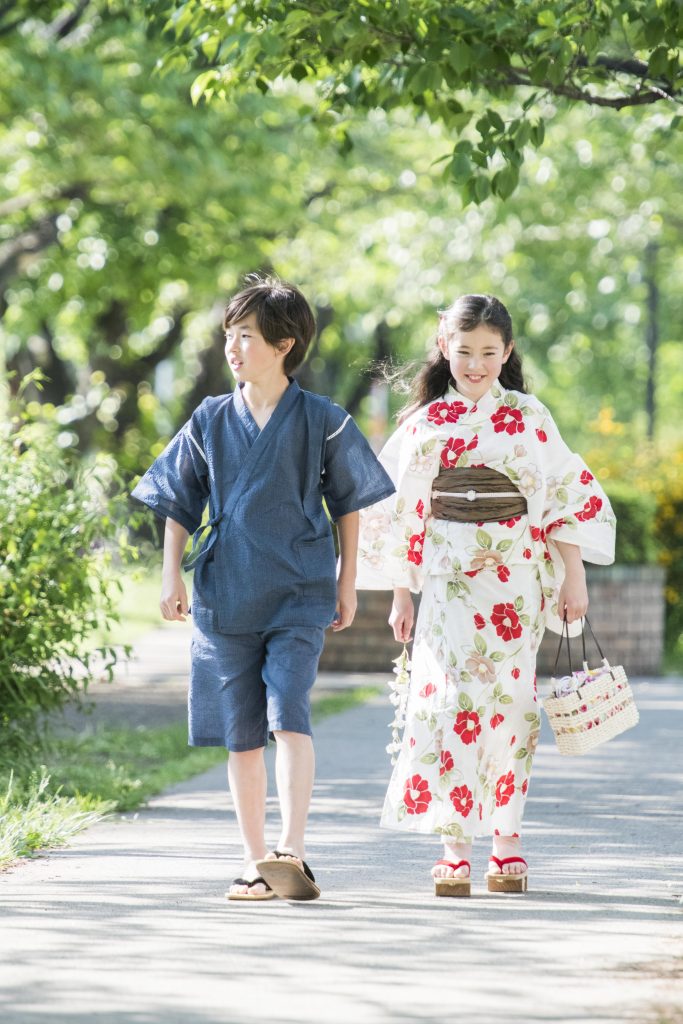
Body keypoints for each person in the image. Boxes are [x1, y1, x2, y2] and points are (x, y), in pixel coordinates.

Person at [132, 275, 394, 902]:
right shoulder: (209, 417)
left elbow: (350, 502)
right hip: (225, 592)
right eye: (229, 335)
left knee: (290, 714)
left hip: (300, 589)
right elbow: (176, 498)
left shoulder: (324, 420)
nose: (233, 347)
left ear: (283, 344)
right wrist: (171, 574)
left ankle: (292, 851)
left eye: (245, 335)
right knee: (240, 729)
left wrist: (346, 580)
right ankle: (253, 860)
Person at [356, 293, 615, 896]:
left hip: (514, 585)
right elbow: (402, 513)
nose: (475, 364)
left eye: (488, 353)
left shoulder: (528, 417)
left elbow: (563, 497)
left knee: (510, 708)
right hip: (447, 584)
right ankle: (455, 846)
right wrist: (402, 592)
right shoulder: (421, 424)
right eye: (464, 350)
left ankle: (507, 842)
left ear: (507, 353)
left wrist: (572, 574)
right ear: (445, 347)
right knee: (447, 705)